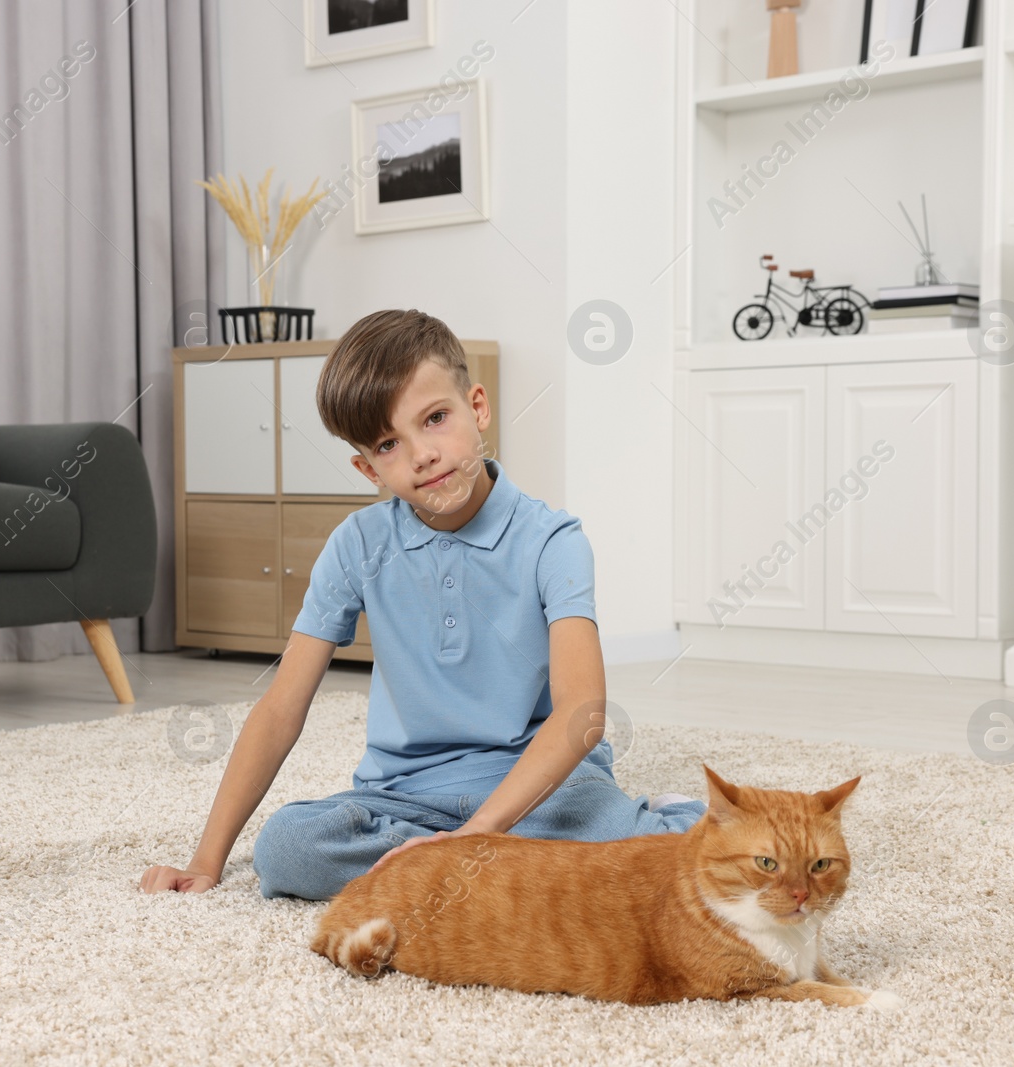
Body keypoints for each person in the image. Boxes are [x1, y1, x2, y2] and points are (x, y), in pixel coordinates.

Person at [139, 309, 706, 899]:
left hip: (542, 793)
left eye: (435, 419)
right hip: (404, 793)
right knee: (285, 851)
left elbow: (581, 714)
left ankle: (654, 820)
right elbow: (282, 708)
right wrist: (206, 860)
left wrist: (479, 833)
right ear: (368, 469)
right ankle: (480, 868)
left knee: (660, 864)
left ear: (477, 408)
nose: (423, 455)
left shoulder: (552, 541)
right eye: (389, 444)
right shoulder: (357, 545)